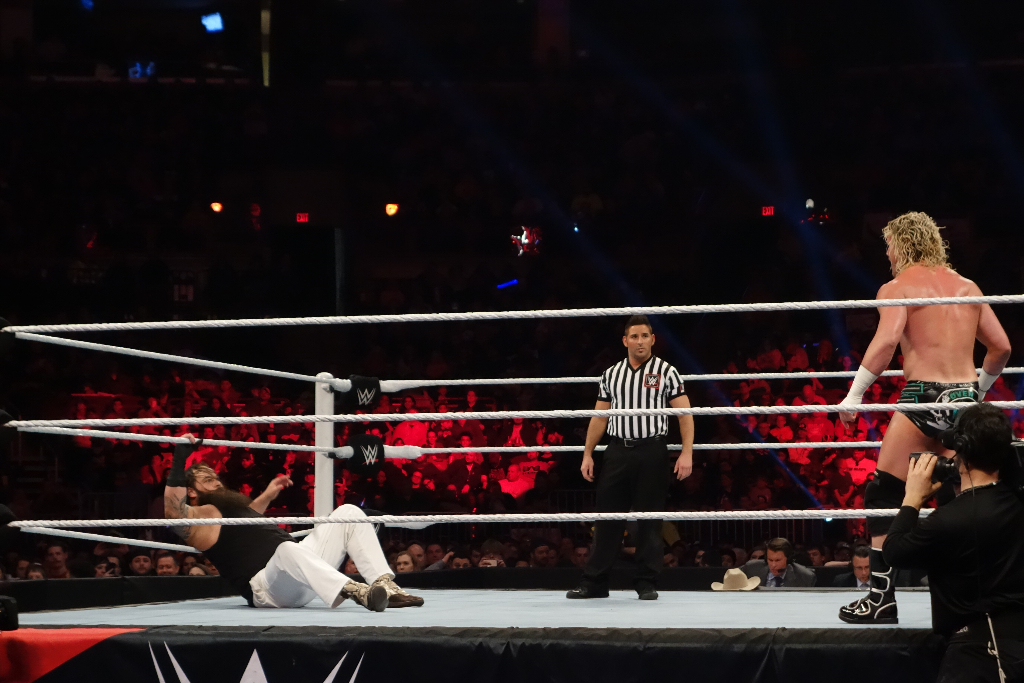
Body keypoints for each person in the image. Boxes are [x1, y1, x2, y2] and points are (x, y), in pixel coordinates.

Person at [837, 213, 1012, 625]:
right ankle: (970, 595)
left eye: (888, 247)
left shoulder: (898, 287)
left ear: (901, 245)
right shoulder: (967, 287)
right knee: (962, 496)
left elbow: (885, 343)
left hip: (923, 397)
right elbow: (1001, 348)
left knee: (884, 493)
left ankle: (881, 600)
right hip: (965, 398)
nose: (887, 255)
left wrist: (854, 394)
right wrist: (978, 392)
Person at [164, 434, 423, 610]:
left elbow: (246, 520)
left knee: (348, 512)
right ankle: (357, 591)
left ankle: (384, 586)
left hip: (303, 576)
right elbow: (174, 514)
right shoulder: (199, 519)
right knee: (286, 550)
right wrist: (179, 459)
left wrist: (267, 495)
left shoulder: (228, 511)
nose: (216, 482)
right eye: (207, 480)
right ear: (192, 491)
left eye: (215, 477)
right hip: (269, 590)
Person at [883, 404, 1024, 682]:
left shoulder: (948, 521)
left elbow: (894, 551)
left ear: (962, 450)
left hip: (979, 653)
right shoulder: (1017, 502)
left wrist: (912, 499)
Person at [568, 315, 694, 601]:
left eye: (645, 336)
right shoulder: (611, 374)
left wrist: (686, 452)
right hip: (617, 451)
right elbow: (600, 416)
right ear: (625, 341)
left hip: (652, 450)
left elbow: (684, 414)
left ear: (653, 339)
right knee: (607, 517)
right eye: (634, 336)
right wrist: (587, 453)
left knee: (649, 518)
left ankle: (646, 582)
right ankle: (595, 581)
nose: (640, 341)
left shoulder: (666, 372)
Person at [740, 537, 816, 588]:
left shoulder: (805, 577)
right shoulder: (751, 568)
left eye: (777, 560)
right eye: (770, 560)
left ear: (788, 559)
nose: (773, 565)